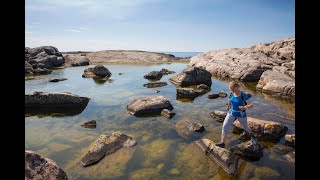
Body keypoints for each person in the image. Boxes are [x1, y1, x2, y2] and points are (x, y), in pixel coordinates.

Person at [215, 80, 254, 148]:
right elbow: (229, 99)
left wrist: (245, 107)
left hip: (241, 114)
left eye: (232, 88)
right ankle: (222, 143)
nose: (231, 90)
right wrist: (228, 106)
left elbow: (251, 105)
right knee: (224, 126)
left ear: (236, 87)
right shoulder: (231, 93)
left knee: (245, 127)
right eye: (230, 89)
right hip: (231, 113)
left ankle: (253, 137)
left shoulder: (243, 95)